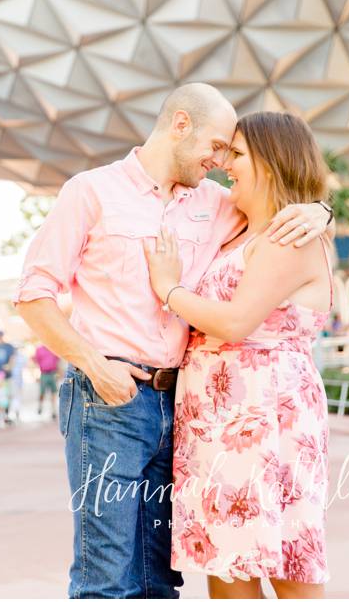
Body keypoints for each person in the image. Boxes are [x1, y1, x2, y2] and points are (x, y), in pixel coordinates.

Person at [13, 83, 331, 598]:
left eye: (232, 152)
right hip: (110, 397)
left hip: (183, 407)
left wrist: (321, 210)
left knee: (161, 575)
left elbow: (280, 205)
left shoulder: (217, 203)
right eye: (217, 146)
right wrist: (95, 365)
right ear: (180, 125)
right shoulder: (91, 191)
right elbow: (33, 295)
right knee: (108, 571)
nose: (222, 160)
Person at [144, 111, 334, 597]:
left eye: (238, 154)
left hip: (265, 419)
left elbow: (234, 322)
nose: (226, 163)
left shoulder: (288, 236)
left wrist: (169, 289)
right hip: (216, 423)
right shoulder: (238, 230)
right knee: (227, 570)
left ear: (271, 163)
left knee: (289, 569)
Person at [33, 344, 60, 419]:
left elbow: (57, 361)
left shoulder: (54, 348)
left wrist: (58, 373)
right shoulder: (39, 349)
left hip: (52, 373)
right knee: (42, 392)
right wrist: (36, 374)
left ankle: (53, 411)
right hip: (44, 373)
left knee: (54, 393)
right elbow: (36, 362)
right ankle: (40, 406)